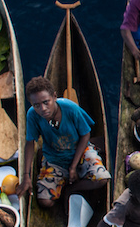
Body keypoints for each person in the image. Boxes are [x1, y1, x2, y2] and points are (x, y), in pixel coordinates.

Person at [15, 77, 110, 208]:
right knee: (45, 201)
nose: (42, 109)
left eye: (46, 102)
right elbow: (30, 142)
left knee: (102, 179)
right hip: (55, 158)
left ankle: (71, 189)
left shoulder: (70, 108)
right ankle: (60, 176)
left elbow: (85, 134)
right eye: (36, 105)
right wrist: (26, 175)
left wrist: (73, 167)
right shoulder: (32, 115)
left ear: (54, 97)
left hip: (80, 152)